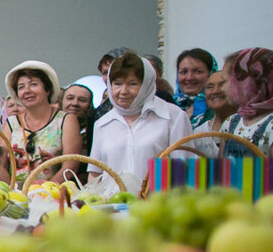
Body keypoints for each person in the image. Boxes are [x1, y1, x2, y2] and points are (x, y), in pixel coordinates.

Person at [89, 51, 191, 190]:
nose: (123, 91)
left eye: (132, 84)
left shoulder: (173, 116)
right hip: (113, 202)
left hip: (159, 201)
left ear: (146, 84)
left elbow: (185, 167)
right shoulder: (102, 123)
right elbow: (95, 174)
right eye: (117, 84)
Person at [3, 60, 82, 183]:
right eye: (21, 87)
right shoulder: (11, 123)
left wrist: (45, 189)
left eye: (33, 84)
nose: (27, 91)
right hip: (15, 193)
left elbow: (70, 166)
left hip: (53, 191)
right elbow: (1, 165)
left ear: (47, 89)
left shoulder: (65, 120)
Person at [221, 47, 273, 157]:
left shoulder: (270, 125)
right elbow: (222, 166)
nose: (222, 89)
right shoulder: (230, 122)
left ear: (244, 83)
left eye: (224, 81)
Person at [191, 69, 238, 157]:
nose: (215, 91)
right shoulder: (198, 134)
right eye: (210, 87)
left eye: (222, 85)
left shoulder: (247, 128)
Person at [174, 47, 218, 126]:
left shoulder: (218, 108)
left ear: (211, 74)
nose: (189, 78)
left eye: (198, 72)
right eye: (184, 72)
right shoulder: (168, 107)